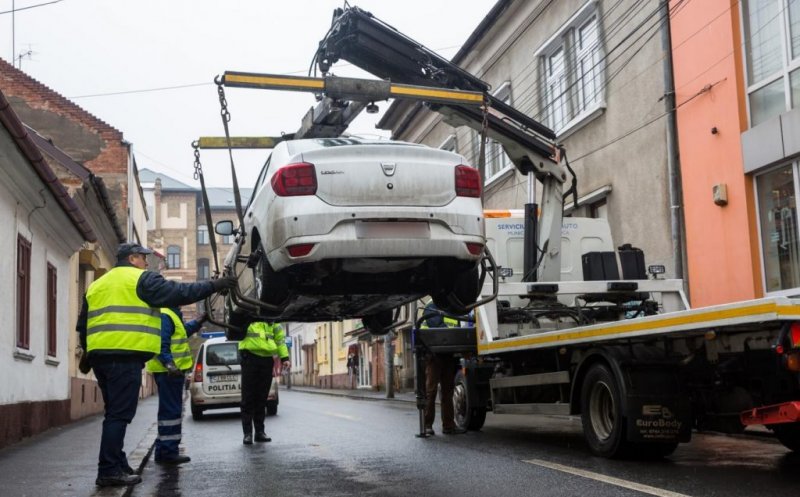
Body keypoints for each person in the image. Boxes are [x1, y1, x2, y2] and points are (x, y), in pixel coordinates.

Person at [76, 243, 237, 488]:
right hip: (125, 354)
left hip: (101, 357)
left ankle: (117, 464)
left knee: (113, 413)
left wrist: (87, 352)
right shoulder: (140, 279)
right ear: (132, 258)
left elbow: (82, 325)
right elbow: (179, 292)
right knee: (119, 415)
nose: (147, 263)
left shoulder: (97, 285)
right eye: (143, 257)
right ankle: (108, 471)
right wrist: (215, 285)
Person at [146, 307, 207, 465]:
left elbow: (182, 333)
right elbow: (162, 343)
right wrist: (169, 364)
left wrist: (198, 322)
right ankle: (168, 451)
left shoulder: (171, 314)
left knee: (169, 411)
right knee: (171, 412)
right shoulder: (167, 314)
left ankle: (163, 450)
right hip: (169, 372)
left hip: (171, 371)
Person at [239, 321, 290, 445]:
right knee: (248, 398)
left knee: (262, 398)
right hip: (249, 358)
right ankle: (247, 434)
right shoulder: (247, 316)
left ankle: (260, 432)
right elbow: (235, 328)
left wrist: (284, 358)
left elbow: (280, 340)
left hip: (267, 360)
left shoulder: (272, 320)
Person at [421, 301, 467, 436]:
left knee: (448, 391)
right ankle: (427, 425)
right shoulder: (431, 307)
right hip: (433, 354)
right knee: (431, 390)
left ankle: (448, 425)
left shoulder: (452, 307)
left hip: (448, 355)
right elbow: (438, 326)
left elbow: (457, 327)